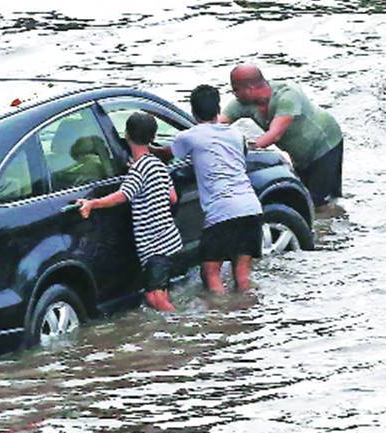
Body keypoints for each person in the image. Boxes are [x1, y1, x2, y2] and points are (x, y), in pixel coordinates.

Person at [77, 112, 182, 312]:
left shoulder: (138, 170)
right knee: (161, 293)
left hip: (155, 247)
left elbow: (123, 195)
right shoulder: (157, 165)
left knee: (154, 297)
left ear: (126, 135)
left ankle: (181, 328)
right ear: (152, 138)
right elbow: (173, 198)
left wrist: (93, 203)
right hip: (170, 241)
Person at [173, 84, 264, 294]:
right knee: (242, 274)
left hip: (221, 212)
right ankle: (248, 316)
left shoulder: (189, 136)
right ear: (218, 109)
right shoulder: (236, 135)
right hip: (250, 207)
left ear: (194, 112)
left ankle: (222, 317)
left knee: (210, 271)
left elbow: (168, 155)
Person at [219, 64, 344, 207]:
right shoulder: (243, 103)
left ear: (250, 88)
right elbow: (217, 122)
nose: (234, 94)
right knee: (302, 197)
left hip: (325, 143)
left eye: (235, 90)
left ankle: (333, 222)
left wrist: (244, 150)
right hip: (299, 154)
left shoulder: (288, 95)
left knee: (319, 201)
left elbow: (275, 134)